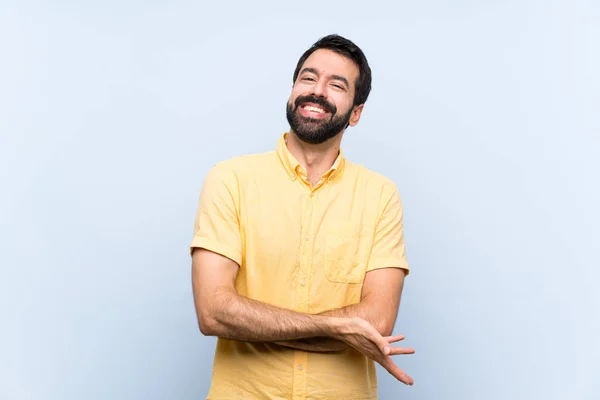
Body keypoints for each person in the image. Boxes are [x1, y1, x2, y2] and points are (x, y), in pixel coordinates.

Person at [190, 34, 414, 400]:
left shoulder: (380, 196)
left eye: (336, 84)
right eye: (308, 79)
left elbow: (376, 322)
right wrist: (336, 327)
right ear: (292, 92)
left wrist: (259, 323)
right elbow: (214, 311)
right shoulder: (230, 180)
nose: (317, 91)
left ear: (355, 112)